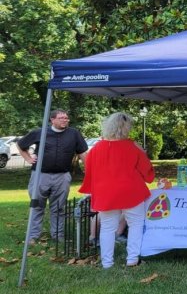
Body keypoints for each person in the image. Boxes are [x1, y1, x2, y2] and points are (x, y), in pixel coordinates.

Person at [79, 112, 155, 268]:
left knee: (107, 227)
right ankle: (132, 259)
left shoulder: (96, 149)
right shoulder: (133, 147)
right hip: (131, 191)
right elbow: (148, 174)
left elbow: (90, 173)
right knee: (135, 224)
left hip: (106, 193)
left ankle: (107, 263)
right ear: (127, 128)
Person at [17, 109, 89, 244]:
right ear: (52, 119)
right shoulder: (40, 132)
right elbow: (21, 145)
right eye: (61, 118)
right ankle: (33, 236)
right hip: (40, 175)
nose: (65, 120)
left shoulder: (74, 134)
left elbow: (83, 153)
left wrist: (90, 170)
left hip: (62, 176)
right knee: (36, 205)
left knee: (59, 207)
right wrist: (28, 158)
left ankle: (57, 235)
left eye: (66, 118)